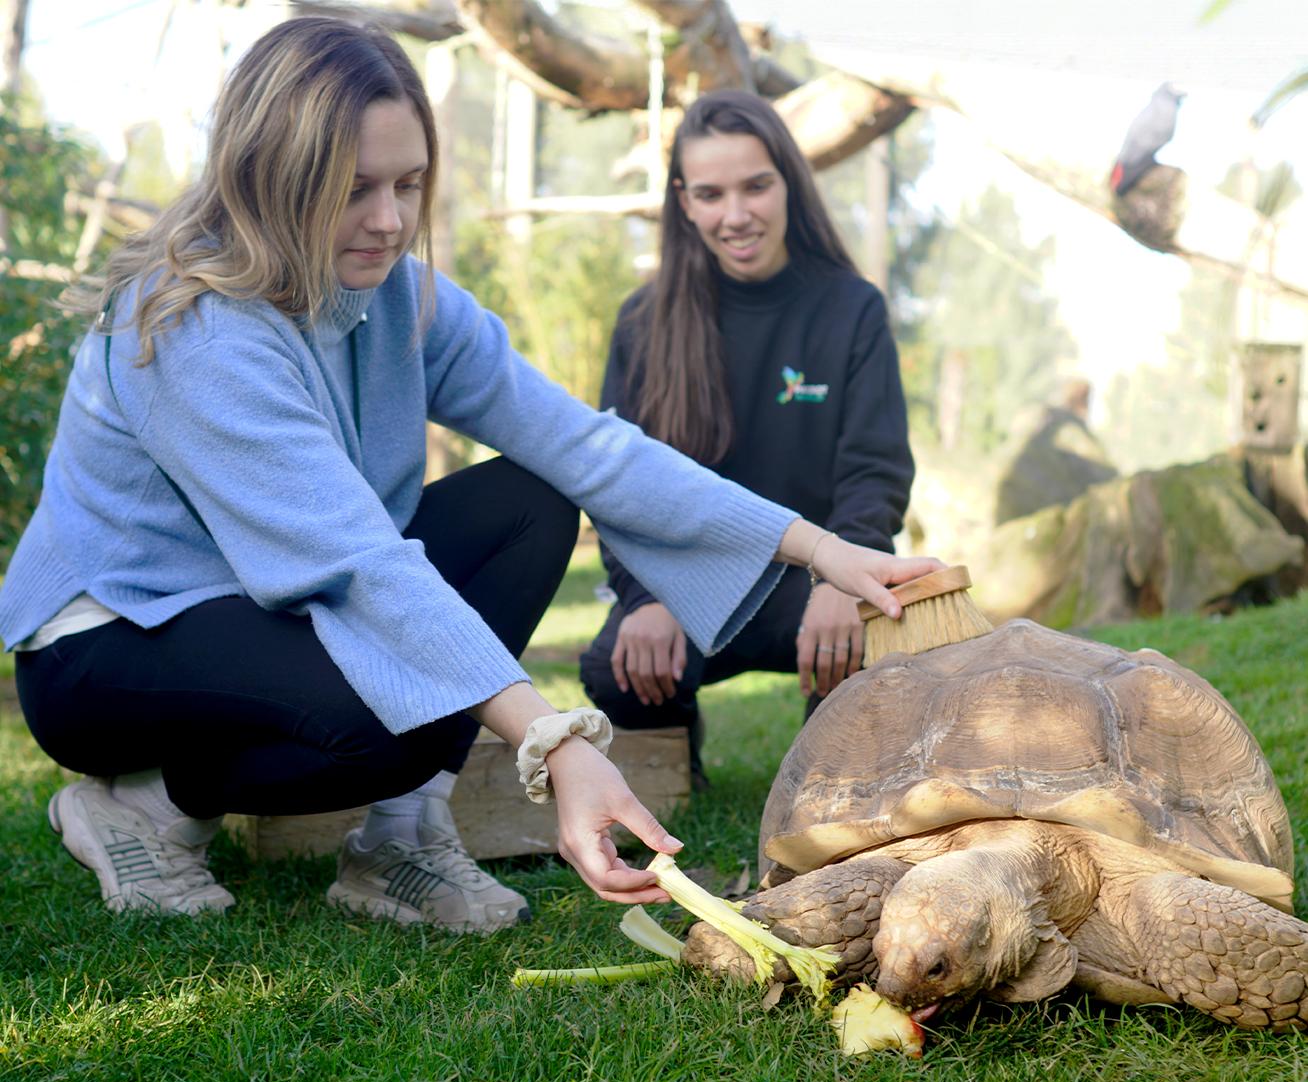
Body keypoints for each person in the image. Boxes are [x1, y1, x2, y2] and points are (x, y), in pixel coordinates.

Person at [0, 19, 940, 929]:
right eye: (355, 188)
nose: (391, 220)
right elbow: (361, 565)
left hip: (266, 606)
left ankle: (400, 839)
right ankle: (146, 809)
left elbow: (585, 444)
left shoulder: (399, 295)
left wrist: (823, 550)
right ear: (271, 177)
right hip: (112, 641)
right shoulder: (197, 329)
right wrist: (555, 741)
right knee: (381, 710)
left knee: (533, 499)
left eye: (409, 184)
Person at [580, 90, 914, 781]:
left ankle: (831, 755)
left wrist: (842, 578)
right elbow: (616, 484)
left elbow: (874, 471)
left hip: (814, 584)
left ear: (789, 180)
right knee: (613, 670)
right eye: (710, 194)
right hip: (693, 588)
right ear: (684, 201)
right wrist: (645, 598)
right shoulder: (645, 320)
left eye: (756, 186)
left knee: (885, 643)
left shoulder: (851, 309)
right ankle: (675, 755)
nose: (736, 215)